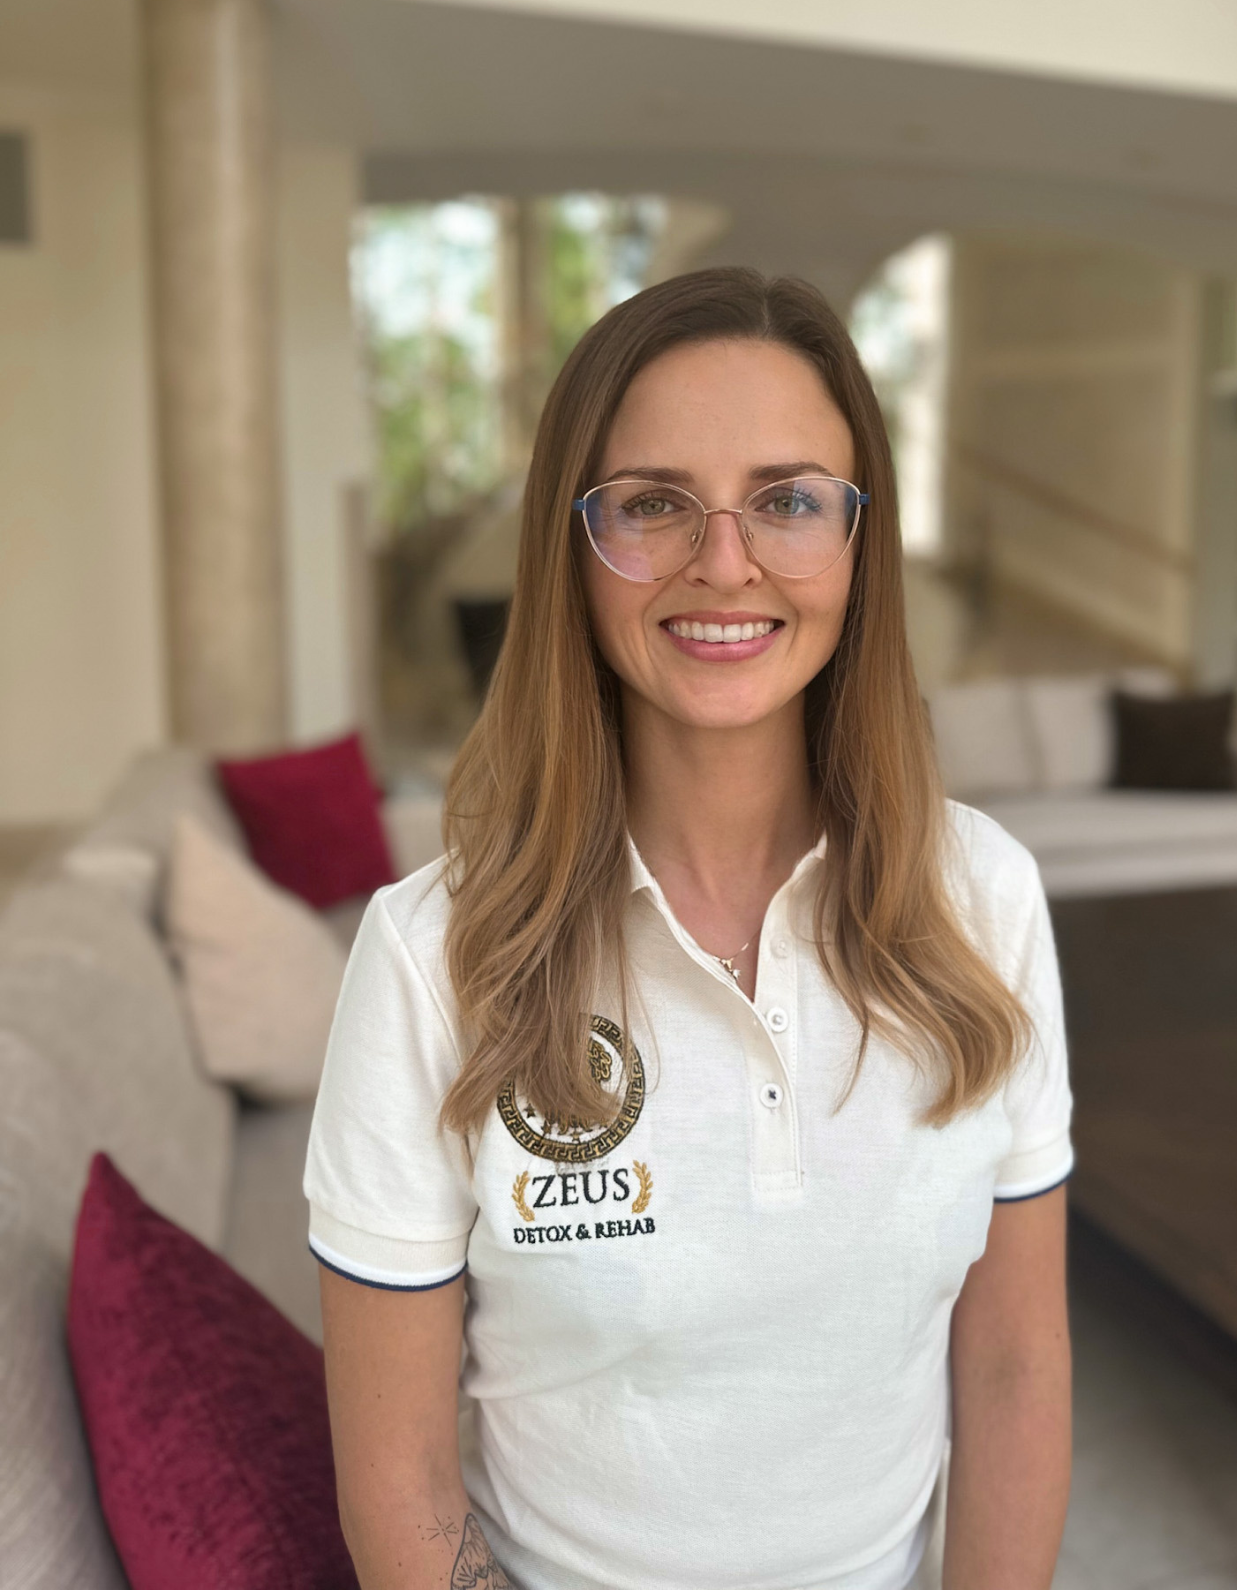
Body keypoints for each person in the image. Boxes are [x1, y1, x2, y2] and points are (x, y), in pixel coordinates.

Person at [305, 268, 1072, 1590]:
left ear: (859, 543)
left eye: (790, 500)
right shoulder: (431, 956)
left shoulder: (984, 899)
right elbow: (404, 1484)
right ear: (572, 545)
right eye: (655, 503)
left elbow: (1012, 1366)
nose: (725, 562)